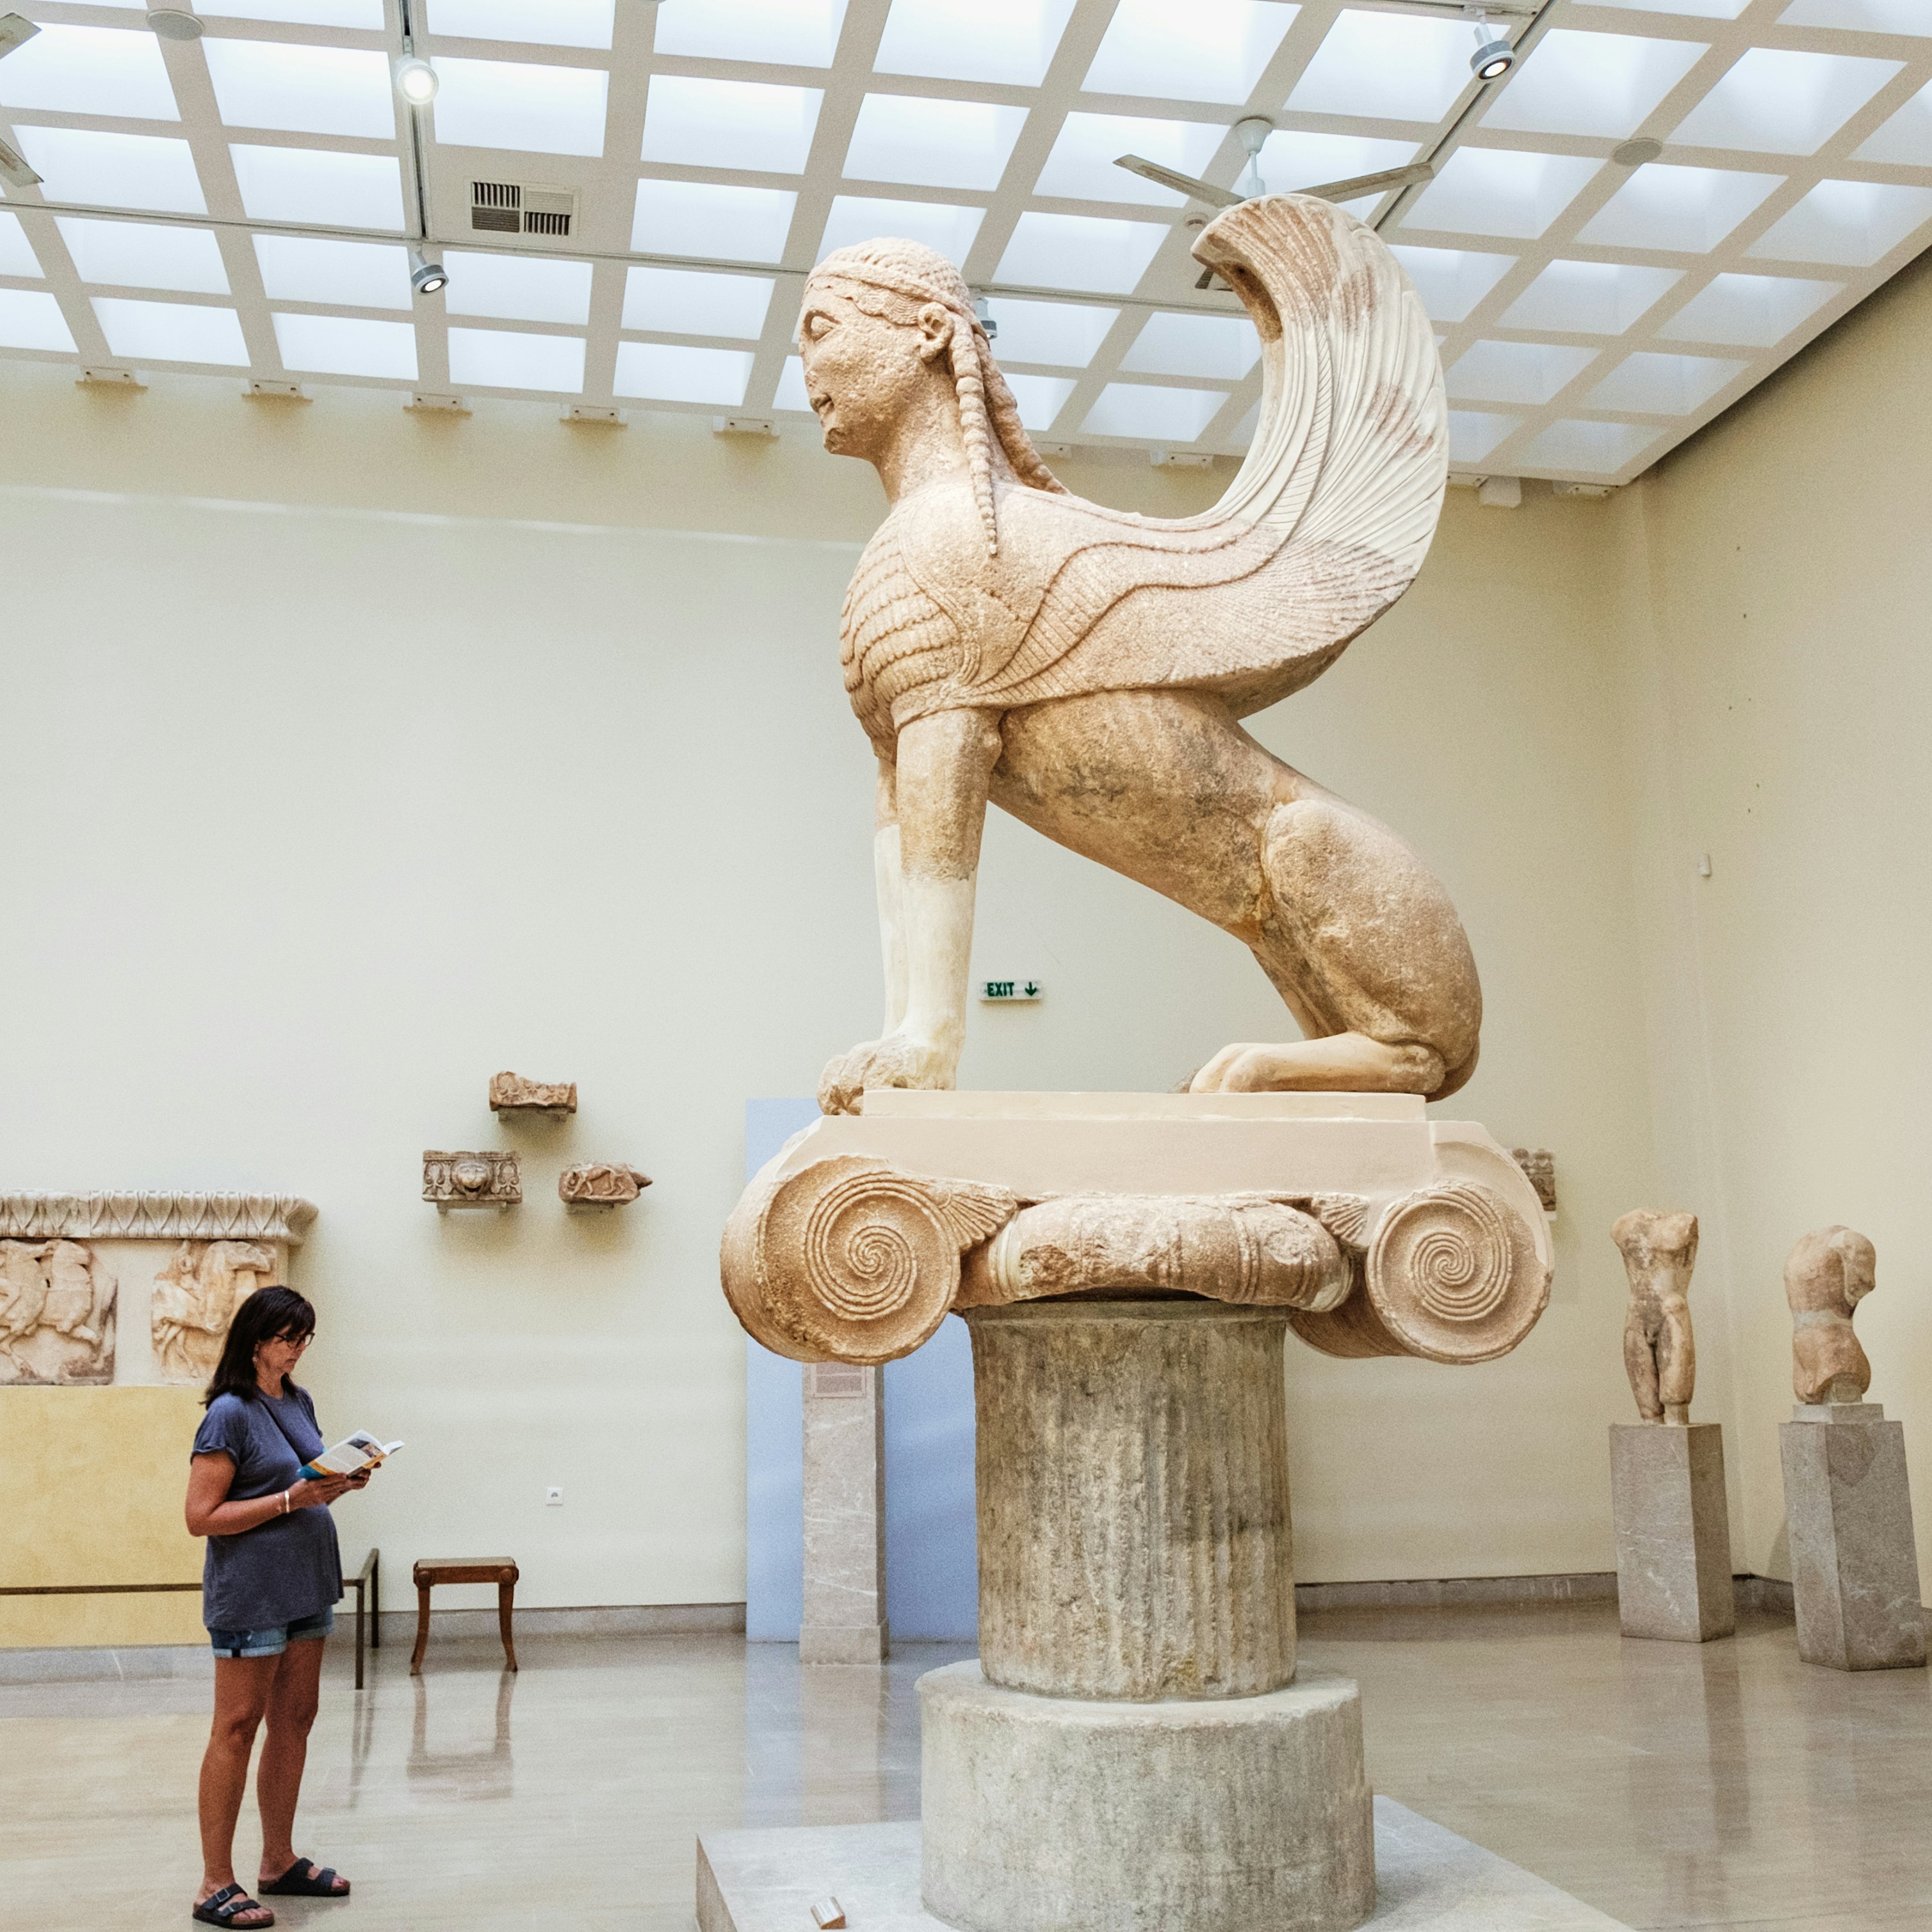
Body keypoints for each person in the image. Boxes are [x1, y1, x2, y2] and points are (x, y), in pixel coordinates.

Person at [183, 1285, 372, 1927]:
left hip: (305, 1583)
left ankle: (278, 1859)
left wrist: (337, 1483)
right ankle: (215, 1880)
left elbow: (302, 1491)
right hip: (251, 1590)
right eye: (287, 1337)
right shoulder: (229, 1413)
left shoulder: (297, 1399)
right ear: (255, 1339)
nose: (296, 1350)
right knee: (237, 1724)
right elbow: (201, 1516)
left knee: (296, 1717)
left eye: (303, 1339)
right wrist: (293, 1498)